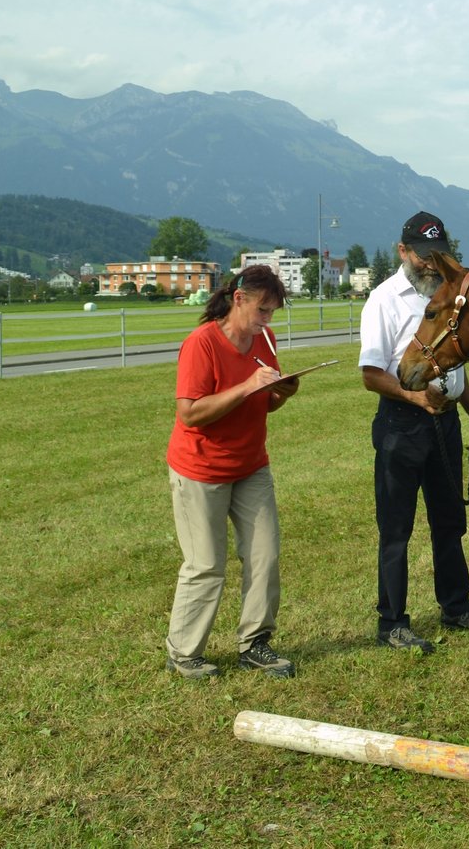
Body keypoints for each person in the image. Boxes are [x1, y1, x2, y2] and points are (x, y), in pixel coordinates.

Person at [358, 211, 469, 654]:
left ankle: (456, 607)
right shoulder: (383, 300)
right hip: (402, 425)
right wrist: (416, 399)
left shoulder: (445, 296)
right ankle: (392, 622)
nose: (428, 263)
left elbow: (453, 365)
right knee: (397, 528)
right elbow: (370, 374)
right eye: (421, 256)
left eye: (435, 256)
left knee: (449, 521)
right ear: (402, 252)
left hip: (446, 422)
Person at [164, 265, 300, 680]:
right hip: (200, 470)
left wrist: (281, 394)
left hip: (251, 465)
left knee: (265, 555)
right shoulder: (201, 344)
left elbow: (262, 405)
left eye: (273, 312)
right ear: (238, 299)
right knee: (206, 564)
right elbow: (190, 413)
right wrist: (246, 387)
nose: (267, 320)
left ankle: (255, 644)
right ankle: (184, 653)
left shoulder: (266, 341)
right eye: (263, 310)